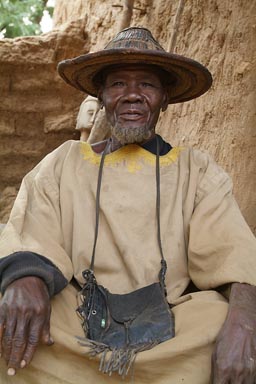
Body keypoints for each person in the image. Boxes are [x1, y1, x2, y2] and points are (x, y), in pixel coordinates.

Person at [0, 26, 256, 384]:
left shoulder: (195, 170)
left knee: (220, 323)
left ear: (165, 97)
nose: (132, 95)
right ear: (101, 95)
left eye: (147, 85)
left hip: (171, 324)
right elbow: (31, 233)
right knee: (12, 316)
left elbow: (235, 254)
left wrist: (243, 322)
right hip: (78, 318)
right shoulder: (65, 162)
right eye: (118, 84)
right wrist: (24, 280)